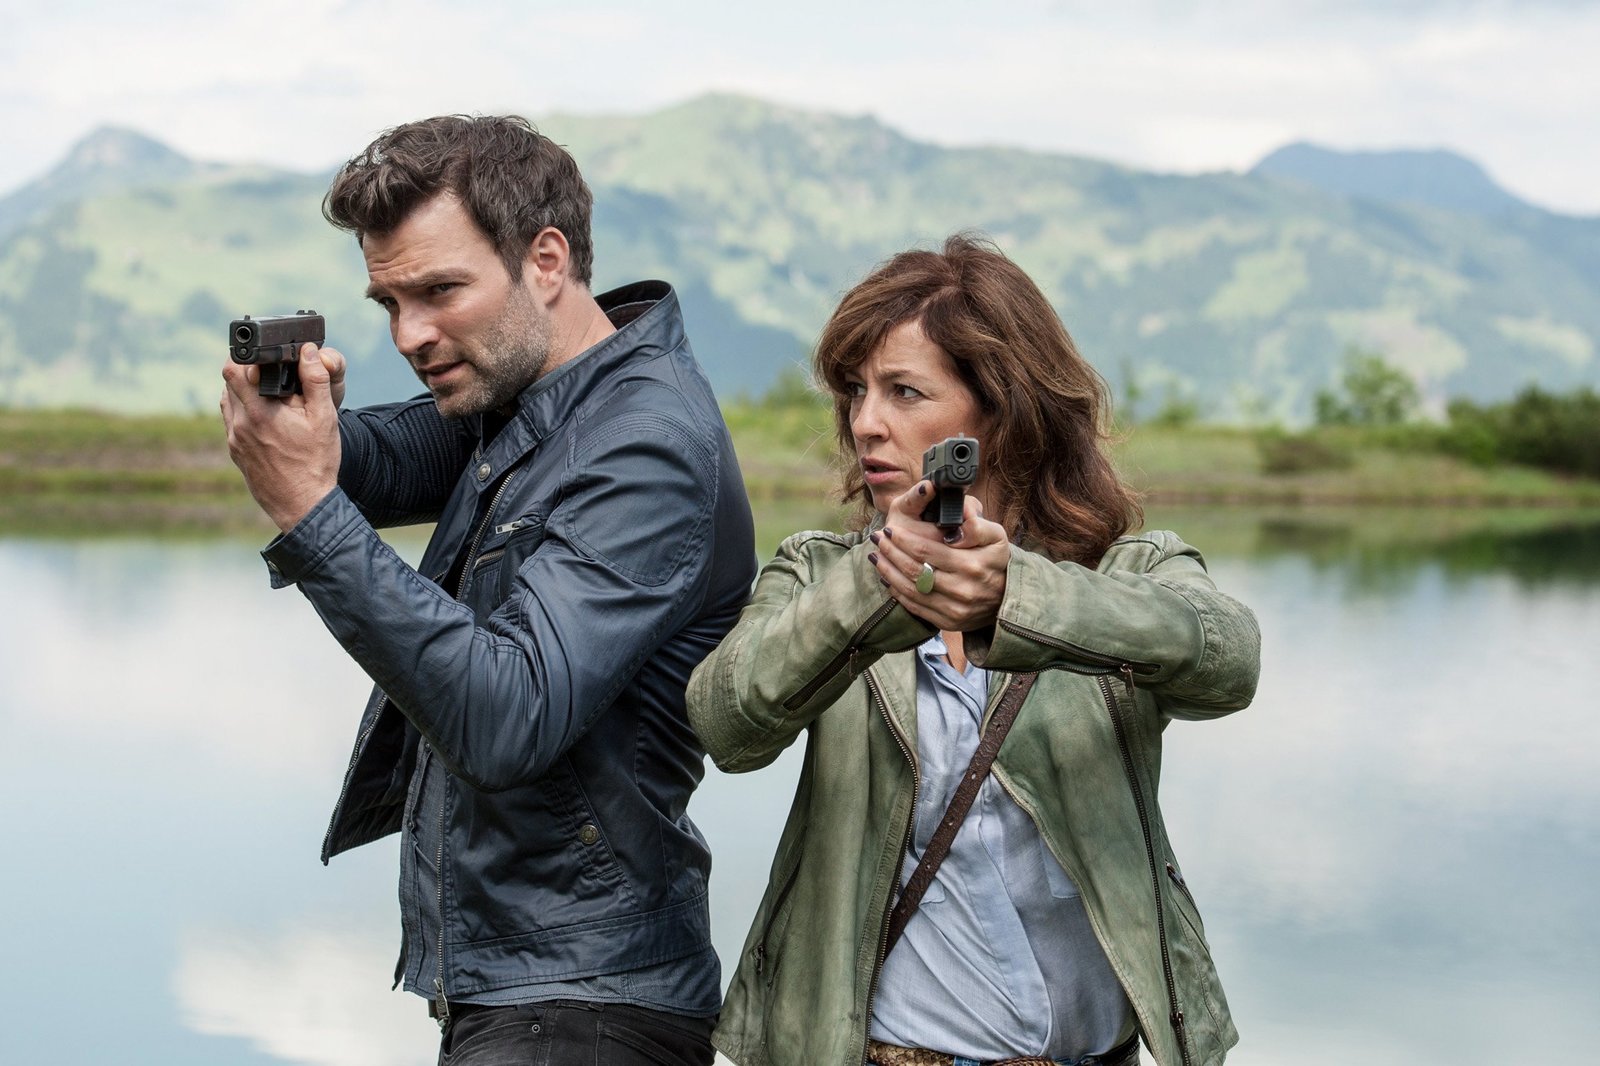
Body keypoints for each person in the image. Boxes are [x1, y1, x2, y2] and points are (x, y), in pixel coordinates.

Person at [220, 115, 754, 1066]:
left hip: (587, 1012)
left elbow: (506, 718)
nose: (410, 335)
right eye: (388, 302)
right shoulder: (530, 398)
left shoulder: (645, 446)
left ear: (546, 261)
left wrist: (308, 510)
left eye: (440, 291)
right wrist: (299, 418)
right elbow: (381, 459)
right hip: (538, 1000)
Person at [687, 234, 1261, 1066]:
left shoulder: (1127, 573)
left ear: (1003, 407)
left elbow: (1230, 660)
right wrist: (880, 590)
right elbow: (725, 723)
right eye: (855, 391)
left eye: (904, 391)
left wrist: (1017, 599)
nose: (865, 422)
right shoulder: (818, 573)